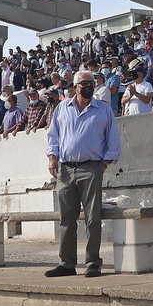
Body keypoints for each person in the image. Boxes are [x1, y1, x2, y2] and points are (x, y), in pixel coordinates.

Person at [44, 70, 123, 278]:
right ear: (75, 87)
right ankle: (67, 263)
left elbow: (113, 140)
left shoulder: (103, 110)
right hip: (66, 169)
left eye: (91, 83)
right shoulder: (62, 108)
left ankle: (93, 263)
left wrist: (103, 165)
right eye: (84, 83)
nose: (89, 86)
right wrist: (52, 157)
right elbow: (53, 136)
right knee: (66, 218)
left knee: (92, 218)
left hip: (91, 167)